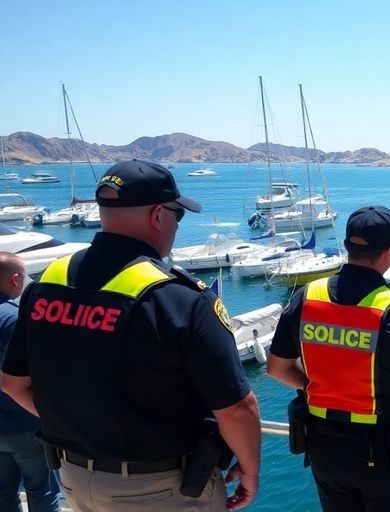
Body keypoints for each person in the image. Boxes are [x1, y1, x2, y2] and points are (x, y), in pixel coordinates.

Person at [0, 160, 261, 512]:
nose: (176, 226)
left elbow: (14, 384)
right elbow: (236, 408)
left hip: (74, 480)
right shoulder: (182, 299)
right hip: (163, 489)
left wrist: (78, 429)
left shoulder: (46, 283)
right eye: (178, 216)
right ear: (157, 215)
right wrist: (250, 471)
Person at [267, 205, 390, 512]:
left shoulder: (307, 297)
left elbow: (276, 368)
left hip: (324, 449)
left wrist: (317, 388)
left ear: (347, 246)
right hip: (385, 456)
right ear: (389, 252)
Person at [0, 252, 60, 512]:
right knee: (43, 492)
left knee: (3, 496)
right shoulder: (14, 318)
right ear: (15, 280)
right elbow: (42, 372)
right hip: (24, 424)